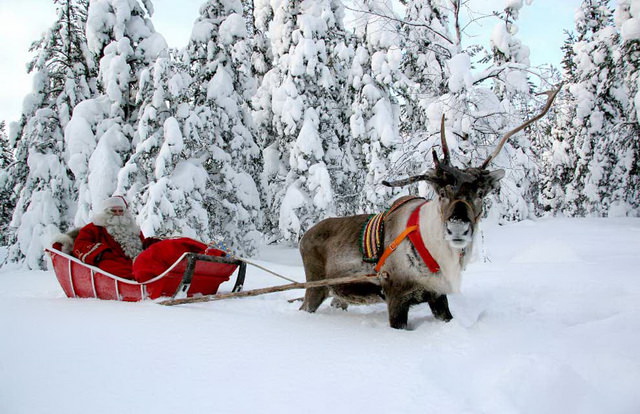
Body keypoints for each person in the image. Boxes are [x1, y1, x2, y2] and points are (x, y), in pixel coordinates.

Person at [73, 196, 157, 279]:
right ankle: (140, 278)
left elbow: (142, 244)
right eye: (113, 211)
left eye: (121, 211)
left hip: (137, 261)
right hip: (114, 262)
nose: (118, 214)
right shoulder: (93, 228)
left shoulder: (132, 228)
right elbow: (80, 244)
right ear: (105, 213)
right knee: (108, 265)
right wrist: (103, 253)